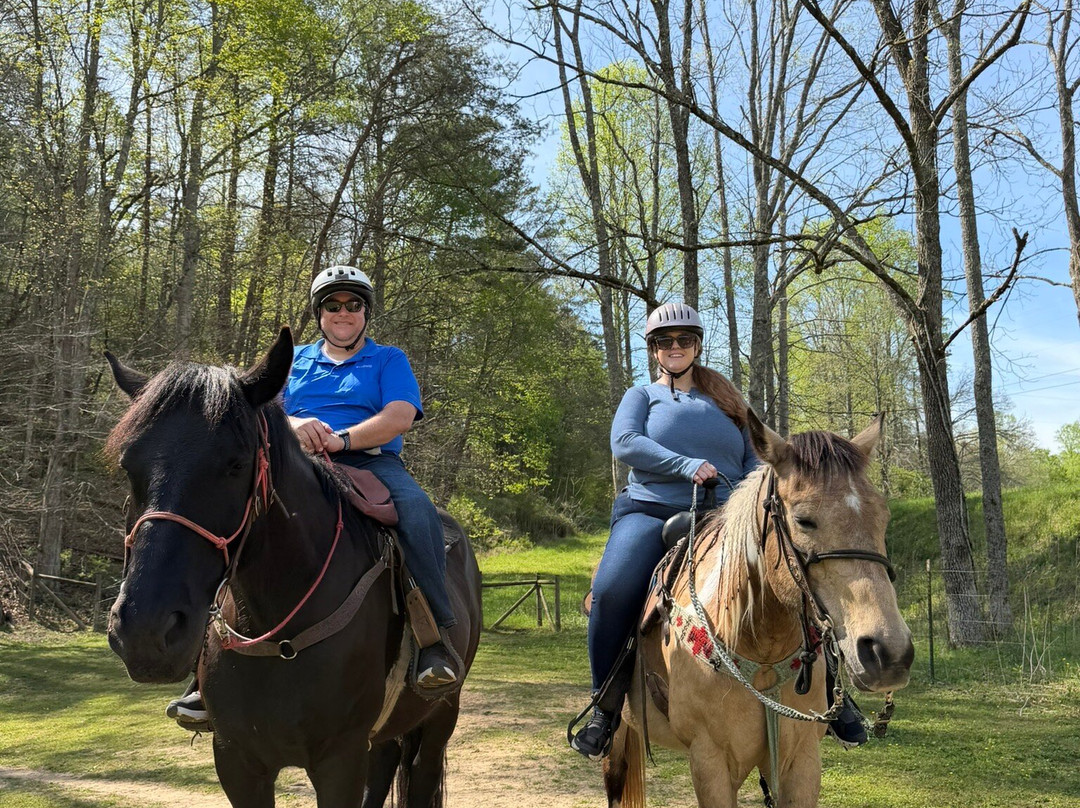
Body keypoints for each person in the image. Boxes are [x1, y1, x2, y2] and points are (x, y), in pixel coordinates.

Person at [167, 265, 458, 730]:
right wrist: (293, 424)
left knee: (418, 513)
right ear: (319, 313)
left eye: (353, 304)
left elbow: (400, 416)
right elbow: (254, 410)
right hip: (293, 465)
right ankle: (204, 667)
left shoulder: (388, 359)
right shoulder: (294, 359)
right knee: (229, 524)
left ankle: (434, 640)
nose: (343, 312)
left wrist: (342, 439)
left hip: (370, 462)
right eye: (332, 305)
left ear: (366, 312)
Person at [570, 302, 761, 760]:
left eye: (684, 340)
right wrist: (685, 465)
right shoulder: (641, 396)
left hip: (727, 516)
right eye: (665, 341)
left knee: (794, 570)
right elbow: (625, 442)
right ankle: (604, 707)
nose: (675, 347)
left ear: (697, 345)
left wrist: (753, 494)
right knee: (612, 590)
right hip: (652, 512)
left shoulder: (729, 400)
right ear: (653, 349)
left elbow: (755, 456)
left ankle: (833, 695)